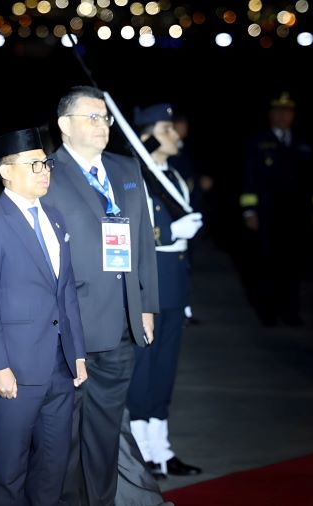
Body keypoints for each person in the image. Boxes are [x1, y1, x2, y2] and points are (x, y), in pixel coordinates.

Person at [41, 85, 159, 506]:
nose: (102, 125)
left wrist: (146, 304)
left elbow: (142, 240)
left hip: (122, 325)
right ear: (64, 126)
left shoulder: (126, 169)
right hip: (71, 327)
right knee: (66, 437)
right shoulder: (46, 173)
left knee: (106, 436)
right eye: (91, 117)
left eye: (105, 117)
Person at [0, 127, 88, 506]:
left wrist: (77, 352)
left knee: (53, 464)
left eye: (45, 162)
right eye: (33, 164)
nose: (44, 170)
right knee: (9, 467)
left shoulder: (54, 218)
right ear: (6, 171)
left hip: (59, 364)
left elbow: (65, 289)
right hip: (14, 368)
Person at [127, 103, 203, 479]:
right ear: (146, 136)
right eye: (166, 128)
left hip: (174, 283)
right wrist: (173, 233)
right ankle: (140, 449)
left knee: (165, 371)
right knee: (142, 370)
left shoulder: (173, 173)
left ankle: (162, 449)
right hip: (148, 282)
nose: (175, 135)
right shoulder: (135, 178)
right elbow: (130, 231)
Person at [239, 91, 313, 326]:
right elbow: (249, 178)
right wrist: (249, 211)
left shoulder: (303, 141)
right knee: (268, 263)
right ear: (271, 115)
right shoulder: (258, 141)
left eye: (288, 112)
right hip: (268, 213)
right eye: (279, 111)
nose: (283, 116)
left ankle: (292, 311)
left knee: (294, 265)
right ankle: (268, 311)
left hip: (296, 214)